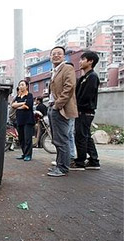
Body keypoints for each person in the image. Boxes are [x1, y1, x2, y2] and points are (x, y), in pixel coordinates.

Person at [47, 46, 78, 177]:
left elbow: (69, 88)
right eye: (53, 54)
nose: (56, 56)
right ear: (50, 57)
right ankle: (59, 166)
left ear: (64, 56)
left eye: (59, 54)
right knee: (57, 140)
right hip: (52, 107)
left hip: (60, 108)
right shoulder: (54, 71)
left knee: (62, 140)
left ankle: (63, 168)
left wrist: (58, 105)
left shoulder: (67, 68)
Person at [70, 51, 101, 171]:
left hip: (85, 111)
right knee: (86, 136)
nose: (80, 62)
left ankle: (80, 162)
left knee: (81, 136)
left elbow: (86, 96)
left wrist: (76, 107)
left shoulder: (92, 77)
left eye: (83, 59)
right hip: (82, 111)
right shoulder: (84, 77)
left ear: (90, 61)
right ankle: (94, 161)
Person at [12, 80, 35, 161]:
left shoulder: (29, 95)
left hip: (28, 120)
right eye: (19, 85)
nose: (20, 86)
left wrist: (18, 105)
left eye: (22, 85)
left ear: (27, 86)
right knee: (21, 138)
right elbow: (13, 105)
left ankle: (28, 155)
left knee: (28, 138)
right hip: (19, 120)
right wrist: (22, 103)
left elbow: (27, 106)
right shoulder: (18, 96)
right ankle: (24, 153)